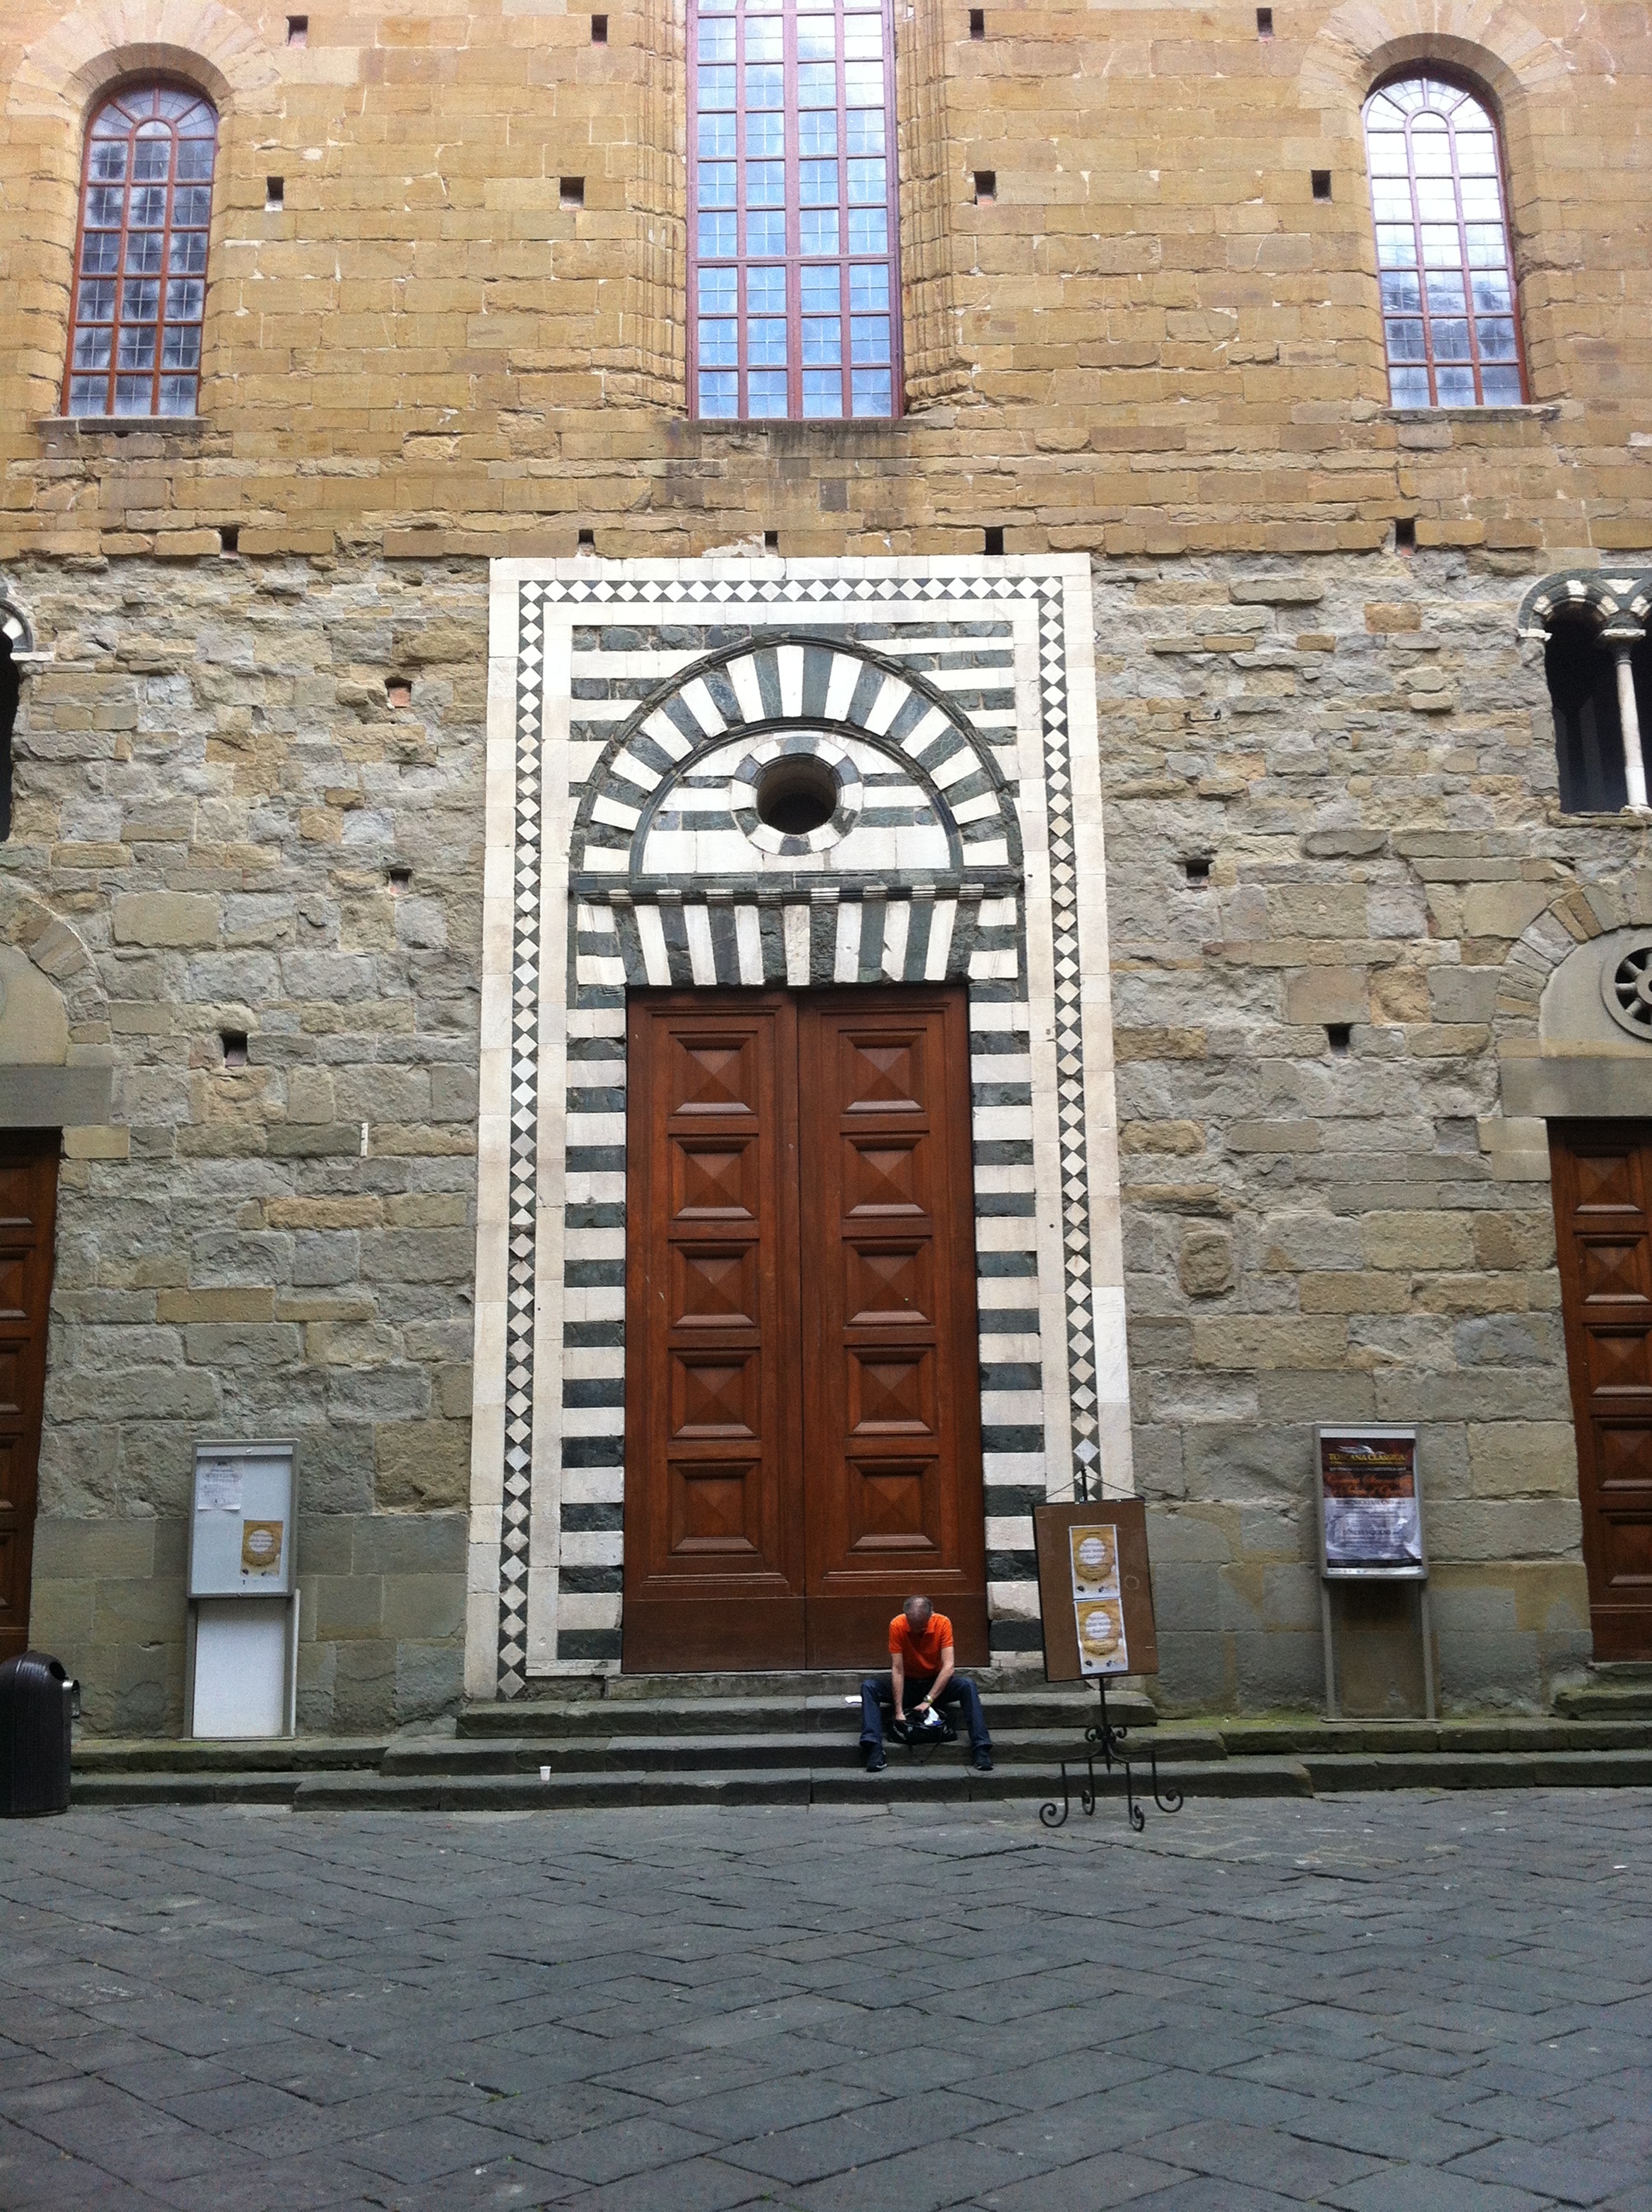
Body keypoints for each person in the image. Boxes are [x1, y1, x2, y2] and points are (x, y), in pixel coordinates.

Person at [859, 1595, 992, 1775]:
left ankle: (981, 1748)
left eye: (921, 1627)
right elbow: (897, 1670)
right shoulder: (897, 1625)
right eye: (912, 1626)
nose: (916, 1631)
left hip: (934, 1685)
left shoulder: (942, 1623)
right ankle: (874, 1749)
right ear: (906, 1617)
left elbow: (948, 1667)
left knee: (967, 1685)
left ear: (931, 1615)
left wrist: (928, 1701)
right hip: (908, 1685)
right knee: (869, 1687)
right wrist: (898, 1711)